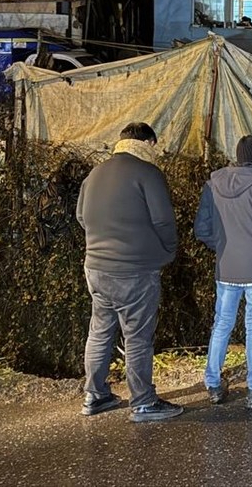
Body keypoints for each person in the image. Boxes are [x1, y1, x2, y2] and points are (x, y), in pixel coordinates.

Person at [76, 122, 182, 422]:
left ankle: (95, 396)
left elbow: (81, 216)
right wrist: (167, 252)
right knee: (137, 337)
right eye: (154, 145)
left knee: (99, 331)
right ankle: (144, 403)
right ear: (148, 142)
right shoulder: (148, 174)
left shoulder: (95, 173)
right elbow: (163, 221)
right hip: (135, 271)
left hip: (96, 267)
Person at [194, 135, 252, 408]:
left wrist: (223, 246)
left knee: (222, 324)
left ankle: (212, 384)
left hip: (226, 267)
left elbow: (202, 229)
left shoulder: (212, 185)